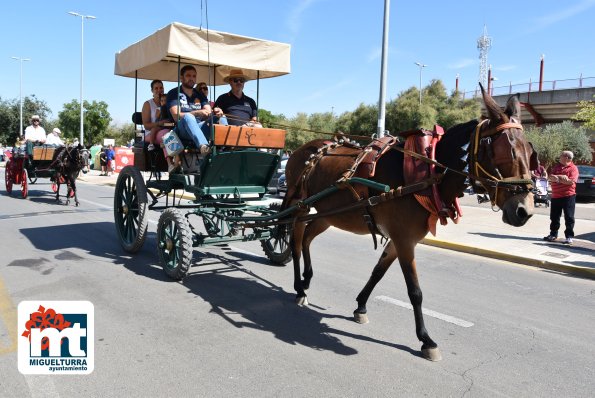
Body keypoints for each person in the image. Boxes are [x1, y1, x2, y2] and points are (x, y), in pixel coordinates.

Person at [166, 65, 225, 156]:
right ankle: (204, 147)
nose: (191, 78)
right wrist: (197, 113)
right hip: (182, 130)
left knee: (221, 117)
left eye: (194, 76)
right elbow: (176, 116)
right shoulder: (173, 93)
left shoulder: (200, 94)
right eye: (188, 75)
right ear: (181, 77)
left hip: (199, 127)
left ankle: (226, 146)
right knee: (188, 117)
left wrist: (216, 112)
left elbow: (208, 112)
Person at [543, 151, 579, 245]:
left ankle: (569, 237)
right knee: (554, 217)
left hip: (568, 196)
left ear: (567, 158)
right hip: (555, 196)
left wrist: (558, 179)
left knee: (569, 217)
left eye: (561, 155)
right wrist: (562, 178)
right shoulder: (557, 167)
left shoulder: (573, 169)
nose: (559, 157)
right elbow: (551, 177)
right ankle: (553, 234)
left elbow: (571, 182)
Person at [142, 80, 169, 151]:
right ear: (152, 90)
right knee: (166, 134)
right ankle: (172, 160)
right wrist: (159, 123)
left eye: (161, 88)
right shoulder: (148, 104)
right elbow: (146, 126)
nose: (159, 90)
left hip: (166, 127)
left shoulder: (168, 102)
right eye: (156, 88)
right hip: (151, 133)